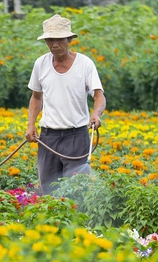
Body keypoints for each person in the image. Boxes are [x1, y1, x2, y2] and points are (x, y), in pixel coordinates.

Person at [25, 14, 106, 195]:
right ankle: (51, 223)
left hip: (76, 136)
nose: (54, 44)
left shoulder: (85, 64)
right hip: (48, 137)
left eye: (59, 39)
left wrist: (96, 114)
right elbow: (36, 97)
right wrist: (31, 124)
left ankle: (77, 223)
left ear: (69, 39)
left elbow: (99, 96)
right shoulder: (41, 64)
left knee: (77, 190)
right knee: (48, 189)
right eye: (50, 40)